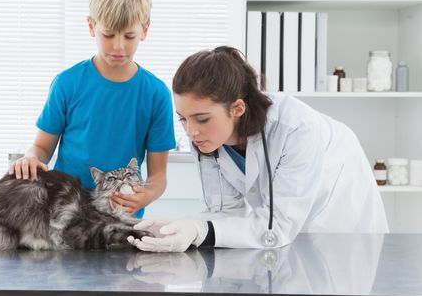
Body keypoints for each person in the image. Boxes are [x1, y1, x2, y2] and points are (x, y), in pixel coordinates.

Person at [128, 45, 389, 251]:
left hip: (340, 219)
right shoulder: (208, 140)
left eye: (202, 119)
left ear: (237, 108)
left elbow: (278, 227)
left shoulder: (296, 129)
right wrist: (174, 227)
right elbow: (225, 212)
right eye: (183, 119)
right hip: (282, 228)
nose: (190, 131)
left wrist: (200, 230)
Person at [8, 0, 176, 217]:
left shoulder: (156, 94)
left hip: (120, 216)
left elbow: (159, 175)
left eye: (129, 36)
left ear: (145, 30)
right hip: (64, 212)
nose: (118, 47)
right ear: (91, 26)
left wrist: (147, 195)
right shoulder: (67, 83)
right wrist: (30, 158)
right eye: (108, 35)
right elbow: (41, 147)